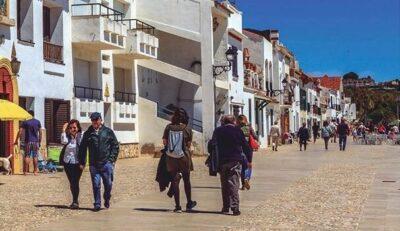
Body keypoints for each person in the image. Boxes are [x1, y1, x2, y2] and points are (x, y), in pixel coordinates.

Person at [210, 115, 252, 216]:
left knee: (224, 185)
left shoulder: (218, 130)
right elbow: (245, 146)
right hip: (235, 160)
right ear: (233, 121)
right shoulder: (238, 131)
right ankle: (235, 208)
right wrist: (249, 159)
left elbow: (211, 144)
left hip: (222, 161)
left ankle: (225, 207)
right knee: (234, 184)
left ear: (223, 121)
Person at [79, 112, 119, 211]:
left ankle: (107, 197)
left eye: (96, 119)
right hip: (94, 164)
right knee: (96, 184)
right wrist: (82, 162)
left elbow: (115, 146)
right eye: (93, 120)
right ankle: (97, 203)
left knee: (108, 184)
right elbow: (83, 148)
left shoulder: (108, 132)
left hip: (106, 163)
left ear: (100, 120)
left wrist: (111, 160)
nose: (95, 122)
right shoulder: (88, 133)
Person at [162, 108, 196, 213]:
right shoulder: (187, 129)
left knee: (175, 180)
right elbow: (189, 145)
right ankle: (189, 203)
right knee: (187, 180)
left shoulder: (168, 127)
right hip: (184, 156)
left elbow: (164, 142)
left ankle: (177, 206)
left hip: (171, 157)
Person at [60, 120, 83, 209]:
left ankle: (75, 201)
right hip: (67, 162)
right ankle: (74, 200)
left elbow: (83, 149)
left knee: (75, 181)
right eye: (70, 128)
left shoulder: (81, 136)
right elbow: (63, 142)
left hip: (77, 163)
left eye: (74, 128)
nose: (72, 129)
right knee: (71, 182)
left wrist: (83, 162)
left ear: (78, 128)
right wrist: (63, 130)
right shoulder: (67, 137)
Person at [14, 110, 42, 175]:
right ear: (33, 115)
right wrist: (39, 141)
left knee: (27, 155)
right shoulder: (37, 122)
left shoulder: (25, 122)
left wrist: (16, 140)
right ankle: (35, 171)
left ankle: (25, 172)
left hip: (28, 141)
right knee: (35, 156)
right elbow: (40, 132)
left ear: (28, 114)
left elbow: (20, 132)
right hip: (35, 142)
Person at [236, 115, 256, 191]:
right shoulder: (249, 127)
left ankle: (243, 184)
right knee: (249, 165)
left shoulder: (237, 128)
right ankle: (247, 178)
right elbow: (255, 136)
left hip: (240, 148)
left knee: (242, 165)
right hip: (248, 148)